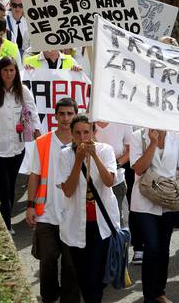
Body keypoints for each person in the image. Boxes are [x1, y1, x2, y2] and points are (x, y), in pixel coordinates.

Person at [58, 114, 119, 303]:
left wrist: (94, 157)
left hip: (101, 225)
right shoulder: (65, 154)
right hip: (77, 225)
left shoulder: (106, 150)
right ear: (72, 134)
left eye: (86, 132)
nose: (82, 137)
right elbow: (68, 190)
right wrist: (78, 161)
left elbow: (109, 182)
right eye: (78, 133)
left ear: (94, 132)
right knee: (84, 277)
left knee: (97, 277)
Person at [25, 97, 81, 303]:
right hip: (47, 214)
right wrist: (30, 206)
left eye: (70, 114)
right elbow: (35, 176)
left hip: (73, 215)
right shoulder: (42, 143)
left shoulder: (82, 144)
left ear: (76, 115)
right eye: (62, 114)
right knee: (48, 260)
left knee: (70, 264)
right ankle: (49, 297)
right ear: (55, 116)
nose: (66, 118)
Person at [129, 127, 179, 303]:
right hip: (144, 201)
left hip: (169, 199)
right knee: (152, 246)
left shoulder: (177, 135)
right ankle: (149, 296)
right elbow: (139, 169)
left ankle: (159, 292)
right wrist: (153, 143)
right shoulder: (138, 136)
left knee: (164, 248)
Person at [0, 56, 40, 232]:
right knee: (4, 189)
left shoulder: (23, 91)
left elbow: (33, 112)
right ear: (0, 72)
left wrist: (37, 131)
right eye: (5, 70)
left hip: (17, 149)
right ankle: (6, 225)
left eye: (12, 70)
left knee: (11, 187)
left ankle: (4, 217)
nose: (8, 73)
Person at [94, 121, 133, 225]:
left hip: (116, 180)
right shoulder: (88, 119)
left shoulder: (121, 120)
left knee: (115, 218)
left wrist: (115, 164)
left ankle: (117, 240)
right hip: (91, 179)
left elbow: (131, 149)